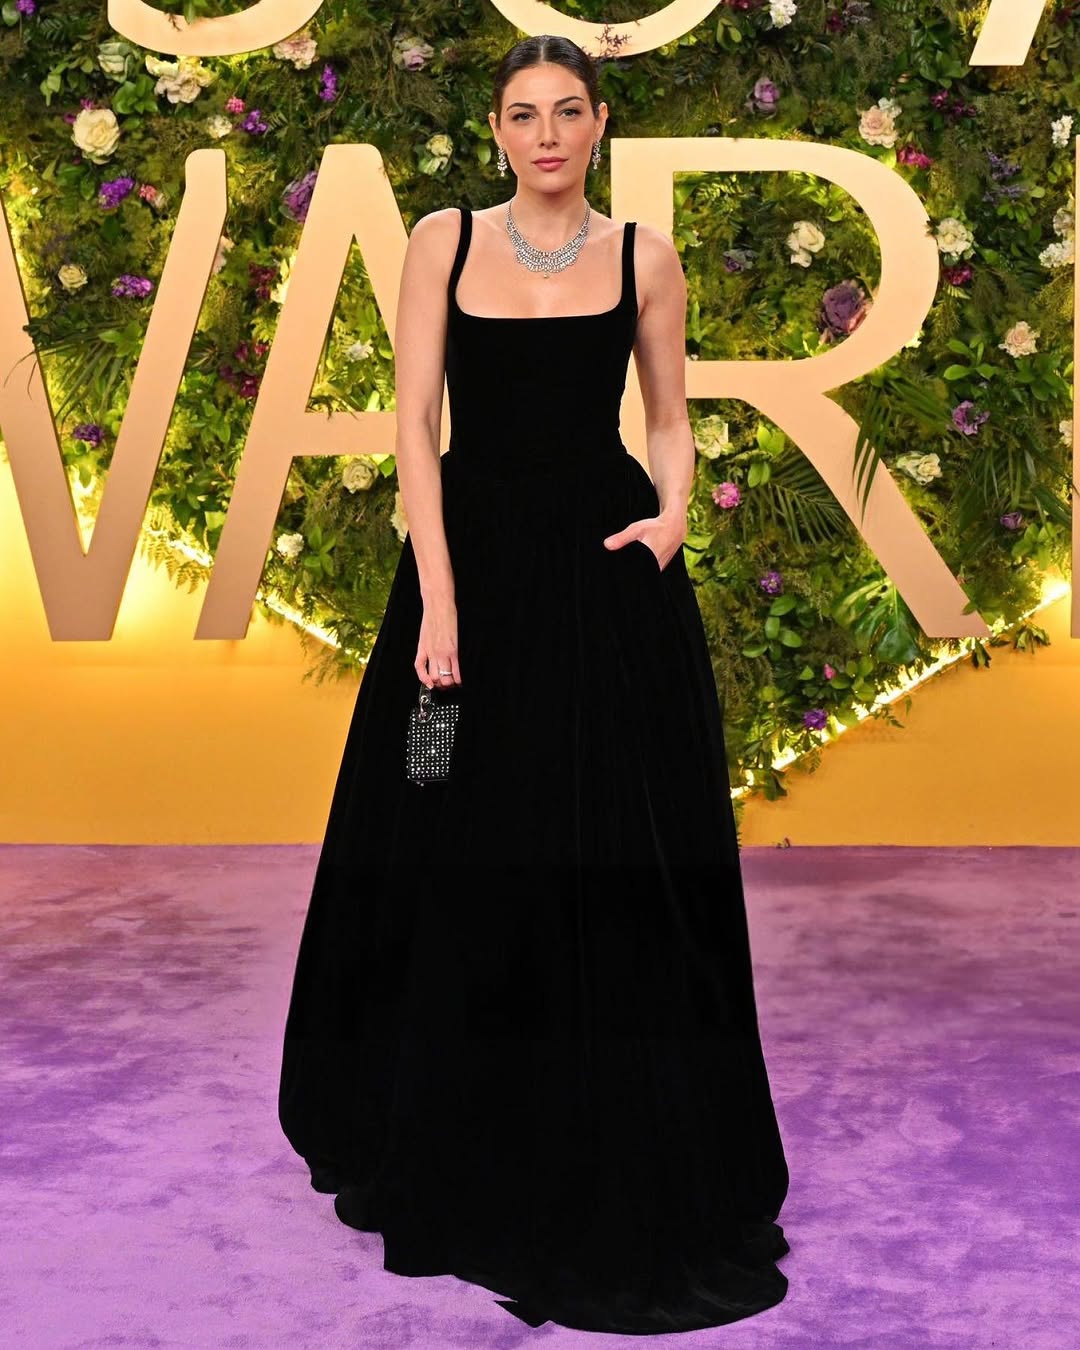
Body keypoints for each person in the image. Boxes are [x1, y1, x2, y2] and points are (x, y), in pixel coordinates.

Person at [278, 32, 791, 1335]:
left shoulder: (645, 258)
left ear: (599, 123)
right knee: (432, 805)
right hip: (462, 592)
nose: (547, 134)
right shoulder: (442, 242)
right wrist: (440, 602)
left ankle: (604, 1126)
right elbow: (415, 426)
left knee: (611, 851)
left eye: (568, 111)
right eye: (524, 113)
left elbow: (667, 417)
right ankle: (435, 1123)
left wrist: (674, 516)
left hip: (611, 592)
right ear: (497, 130)